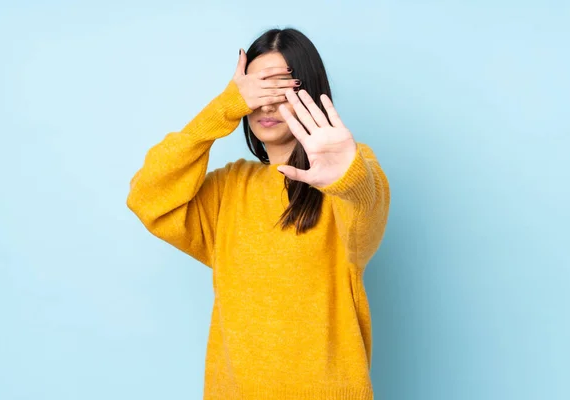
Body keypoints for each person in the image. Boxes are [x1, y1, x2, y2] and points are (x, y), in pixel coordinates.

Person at [127, 27, 390, 400]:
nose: (266, 106)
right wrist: (222, 108)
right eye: (257, 89)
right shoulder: (229, 188)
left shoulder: (350, 173)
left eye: (281, 89)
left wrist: (347, 178)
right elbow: (147, 196)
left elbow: (369, 215)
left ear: (310, 95)